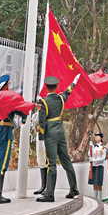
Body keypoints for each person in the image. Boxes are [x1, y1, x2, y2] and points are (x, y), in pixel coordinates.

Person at [0, 75, 33, 205]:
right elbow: (20, 108)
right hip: (4, 133)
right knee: (1, 165)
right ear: (6, 85)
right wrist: (24, 117)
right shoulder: (9, 97)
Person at [36, 75, 81, 203]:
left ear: (46, 87)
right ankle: (74, 188)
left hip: (50, 133)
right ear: (56, 87)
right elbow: (69, 91)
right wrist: (74, 81)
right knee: (66, 160)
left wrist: (41, 138)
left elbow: (42, 122)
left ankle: (49, 194)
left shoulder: (43, 102)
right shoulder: (61, 98)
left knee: (51, 163)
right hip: (60, 132)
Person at [88, 132, 106, 201]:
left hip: (99, 166)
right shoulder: (93, 146)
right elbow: (89, 154)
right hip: (93, 166)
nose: (96, 137)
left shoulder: (103, 147)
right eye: (96, 136)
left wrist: (94, 160)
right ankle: (95, 199)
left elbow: (103, 158)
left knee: (99, 183)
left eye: (98, 136)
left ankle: (100, 199)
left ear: (101, 138)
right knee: (94, 183)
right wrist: (90, 147)